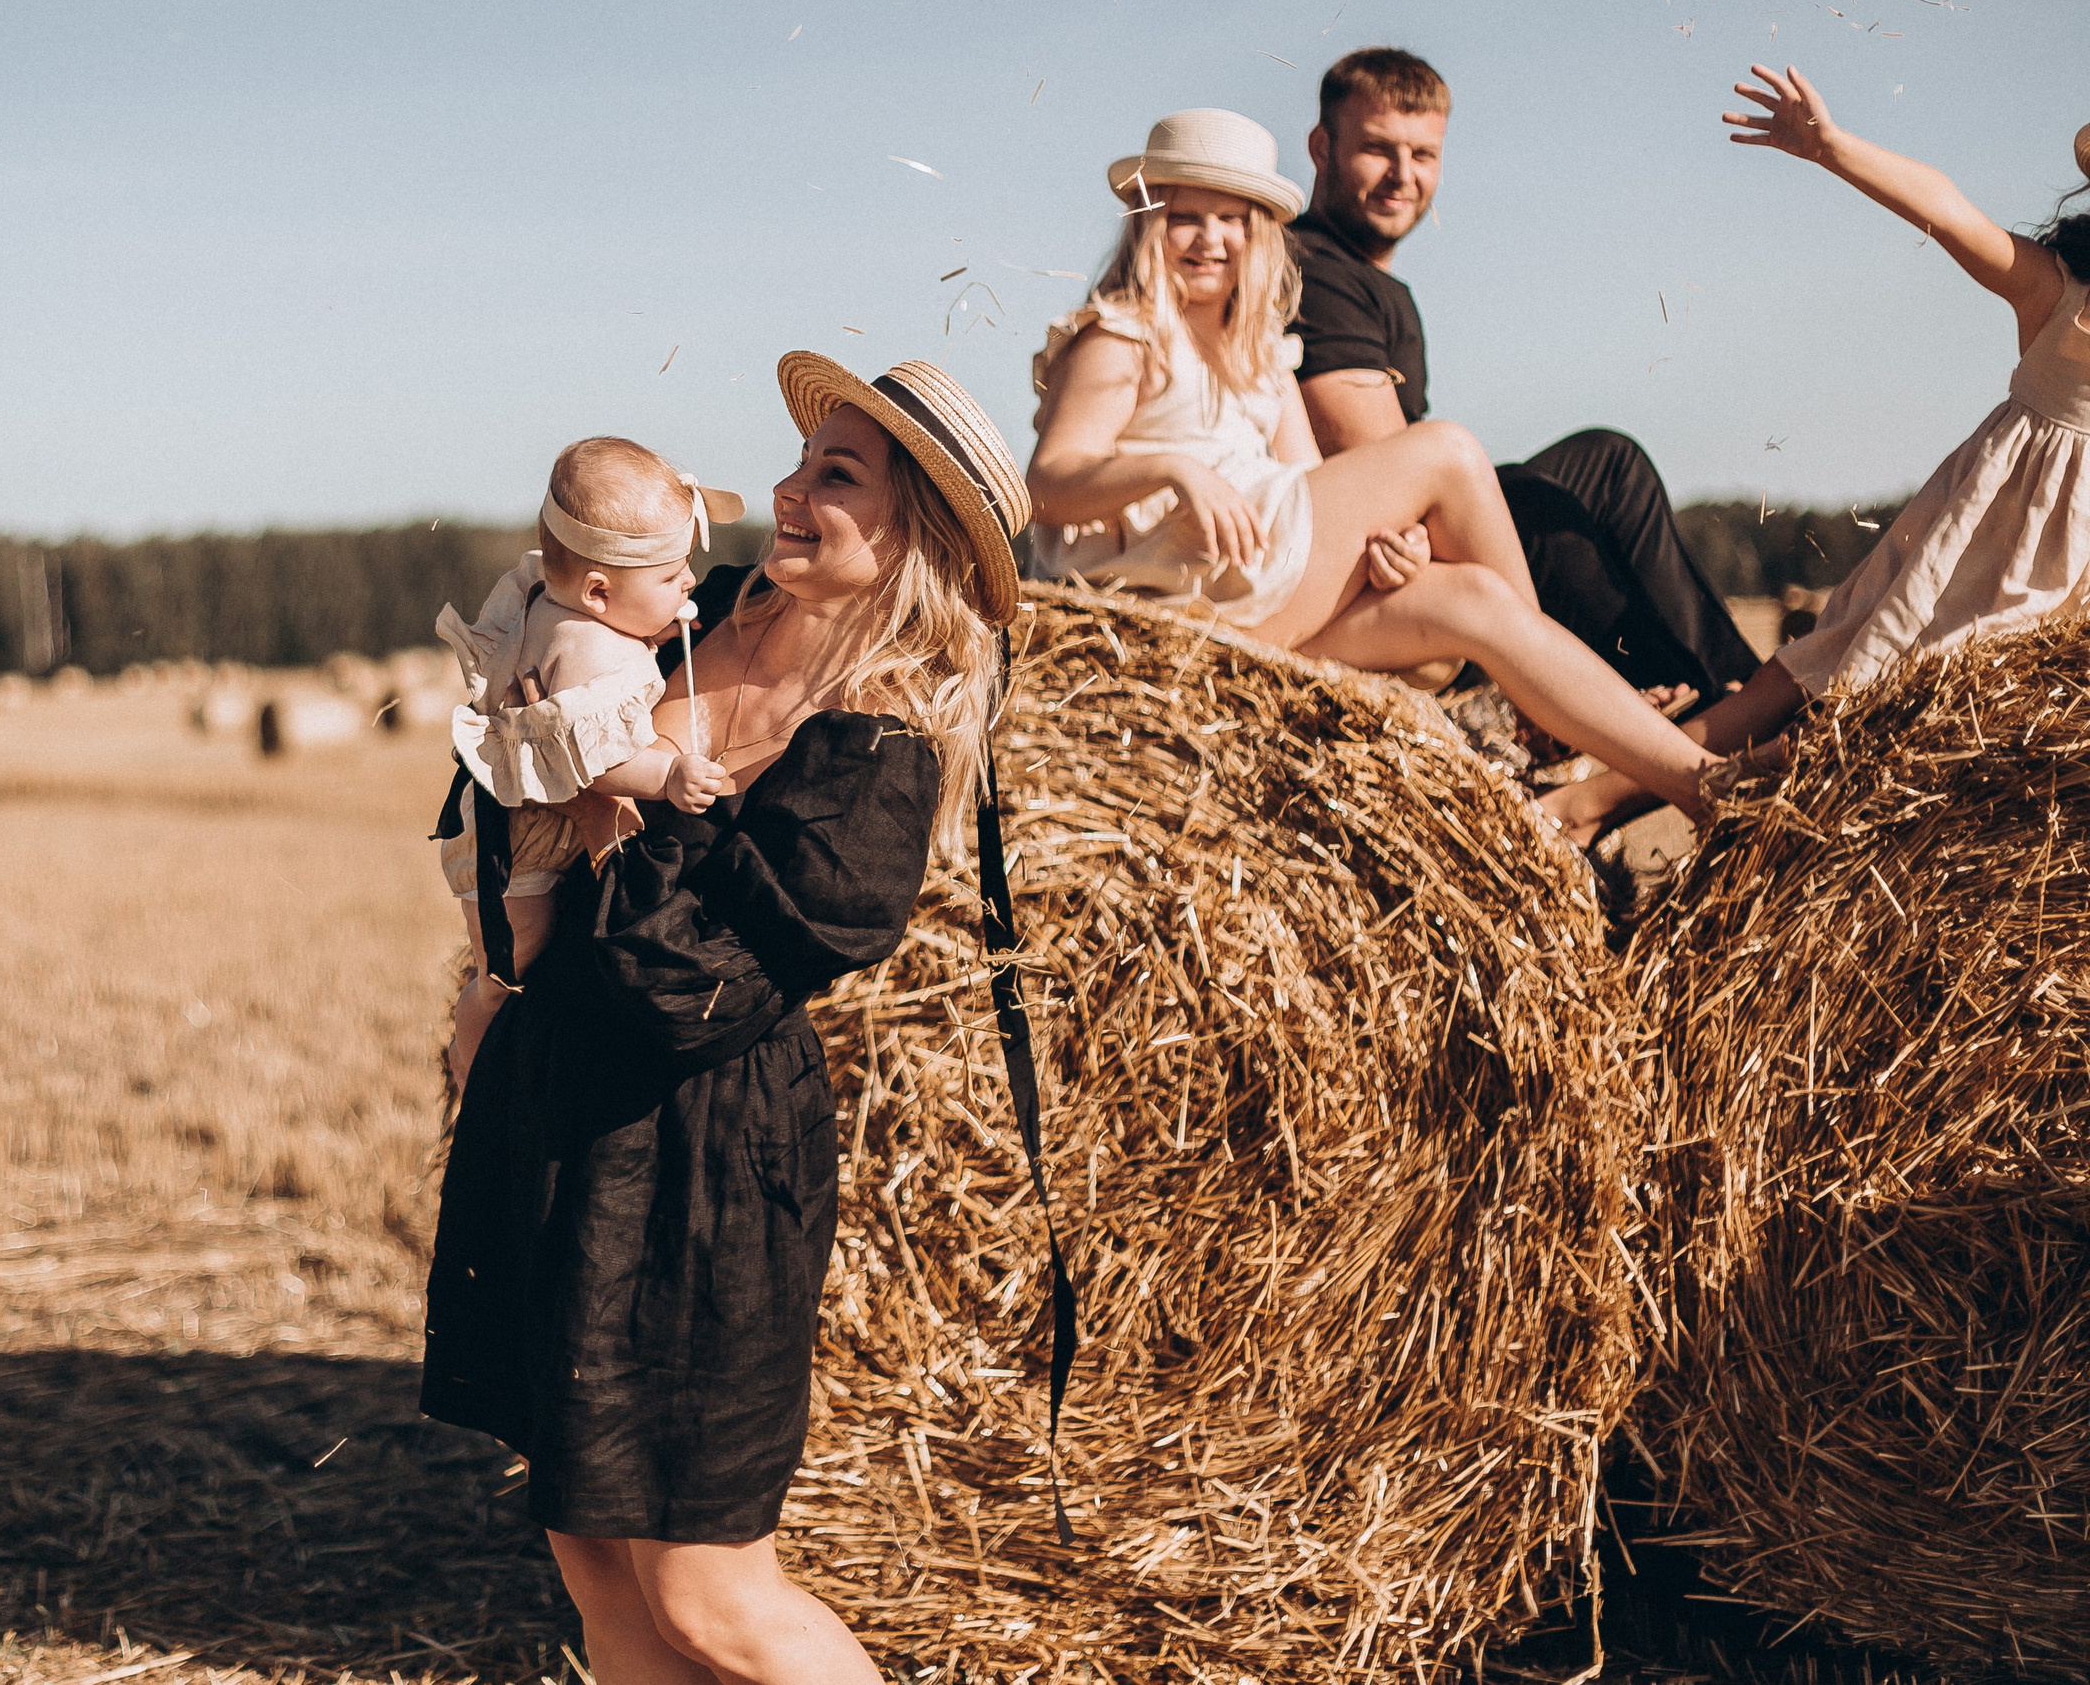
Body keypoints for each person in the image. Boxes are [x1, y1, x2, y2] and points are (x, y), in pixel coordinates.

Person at [423, 354, 1029, 1684]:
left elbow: (680, 974)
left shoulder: (875, 750)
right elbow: (498, 765)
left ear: (913, 532)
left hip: (700, 1163)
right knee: (590, 1551)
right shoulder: (681, 622)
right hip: (554, 1104)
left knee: (708, 1591)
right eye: (803, 461)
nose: (785, 489)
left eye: (838, 475)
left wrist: (600, 812)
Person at [1027, 107, 1728, 824]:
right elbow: (1045, 486)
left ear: (1258, 234)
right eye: (1187, 217)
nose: (1211, 239)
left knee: (1469, 599)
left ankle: (1705, 785)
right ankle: (1540, 714)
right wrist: (1173, 471)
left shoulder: (1261, 355)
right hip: (1173, 611)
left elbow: (1303, 483)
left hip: (1254, 604)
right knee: (1447, 451)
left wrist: (1395, 543)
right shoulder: (1121, 338)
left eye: (1233, 219)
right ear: (1149, 224)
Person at [1543, 74, 2090, 839]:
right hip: (1974, 556)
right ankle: (1591, 800)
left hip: (2059, 605)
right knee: (1800, 675)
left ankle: (1629, 801)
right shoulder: (2059, 294)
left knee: (1861, 735)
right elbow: (1947, 206)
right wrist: (1834, 149)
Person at [1290, 47, 1761, 707]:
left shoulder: (1370, 280)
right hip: (1366, 570)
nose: (1403, 175)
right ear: (1321, 146)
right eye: (1378, 149)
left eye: (1424, 155)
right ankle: (1708, 713)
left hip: (1412, 540)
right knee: (1544, 519)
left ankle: (1746, 690)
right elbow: (1386, 473)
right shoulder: (1314, 269)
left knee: (1607, 462)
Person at [434, 438, 741, 1094]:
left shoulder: (577, 611)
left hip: (528, 825)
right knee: (510, 964)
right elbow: (593, 765)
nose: (689, 583)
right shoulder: (583, 653)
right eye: (670, 576)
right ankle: (469, 1052)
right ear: (599, 592)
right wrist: (667, 776)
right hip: (516, 844)